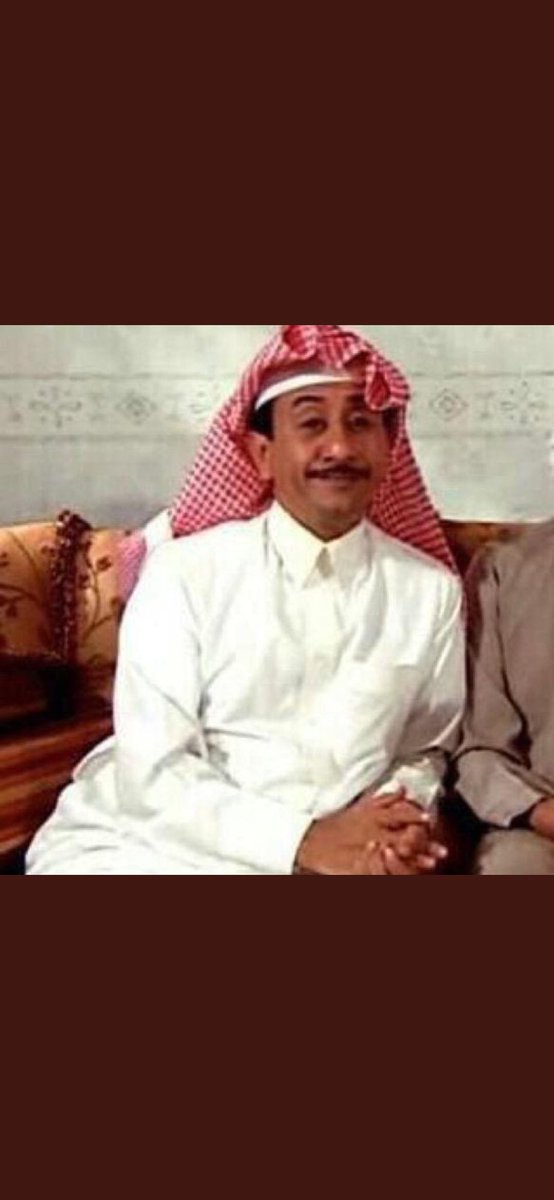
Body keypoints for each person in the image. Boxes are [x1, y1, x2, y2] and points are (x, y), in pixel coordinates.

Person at [27, 324, 465, 876]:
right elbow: (154, 771)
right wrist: (302, 842)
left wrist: (395, 824)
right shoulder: (185, 573)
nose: (339, 447)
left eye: (360, 423)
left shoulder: (430, 591)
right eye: (312, 423)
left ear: (386, 448)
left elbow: (424, 750)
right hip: (155, 844)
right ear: (262, 453)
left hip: (349, 853)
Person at [454, 522, 554, 874]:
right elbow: (479, 747)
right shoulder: (504, 567)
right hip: (542, 825)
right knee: (509, 865)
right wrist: (537, 811)